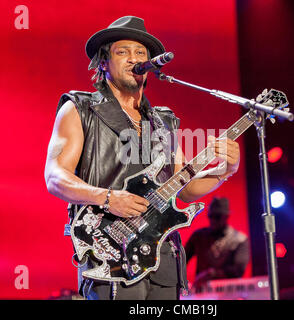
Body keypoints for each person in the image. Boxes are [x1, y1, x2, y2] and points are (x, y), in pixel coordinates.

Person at [44, 16, 241, 300]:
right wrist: (109, 198)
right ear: (103, 62)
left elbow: (185, 189)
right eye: (122, 51)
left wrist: (225, 169)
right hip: (111, 251)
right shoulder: (80, 108)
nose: (133, 58)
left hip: (164, 256)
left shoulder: (162, 121)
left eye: (141, 53)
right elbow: (55, 176)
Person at [185, 197, 250, 290]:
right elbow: (182, 260)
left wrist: (211, 274)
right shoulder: (198, 236)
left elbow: (238, 270)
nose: (213, 220)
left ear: (226, 216)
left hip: (229, 292)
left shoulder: (239, 239)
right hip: (202, 291)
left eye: (217, 216)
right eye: (211, 216)